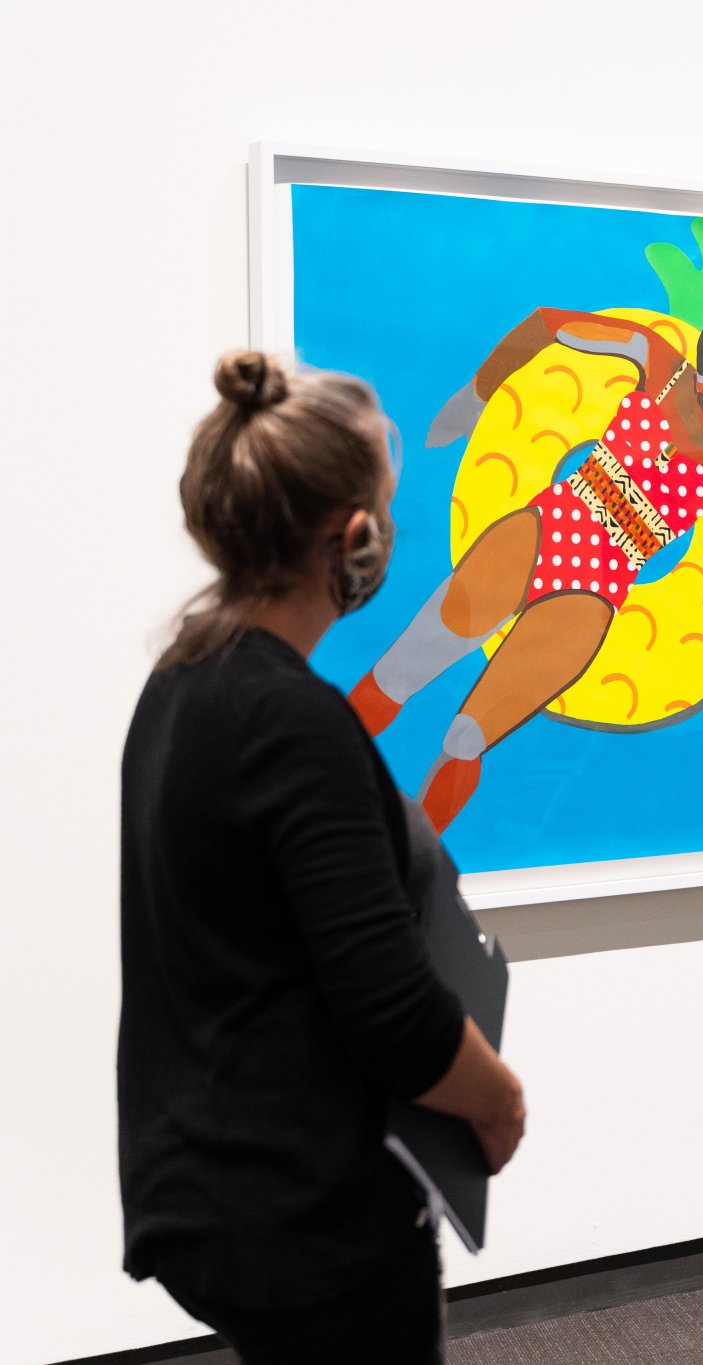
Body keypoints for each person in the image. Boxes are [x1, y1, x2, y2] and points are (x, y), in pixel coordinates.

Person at [118, 350, 525, 1364]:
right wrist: (497, 1097)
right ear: (353, 537)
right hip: (305, 1212)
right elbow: (389, 1010)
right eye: (383, 512)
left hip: (214, 1176)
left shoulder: (185, 682)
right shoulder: (292, 721)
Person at [350, 280, 703, 833]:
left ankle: (409, 877)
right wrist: (476, 394)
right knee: (401, 668)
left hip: (595, 592)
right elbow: (549, 322)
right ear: (695, 375)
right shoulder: (658, 360)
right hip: (543, 531)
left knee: (468, 738)